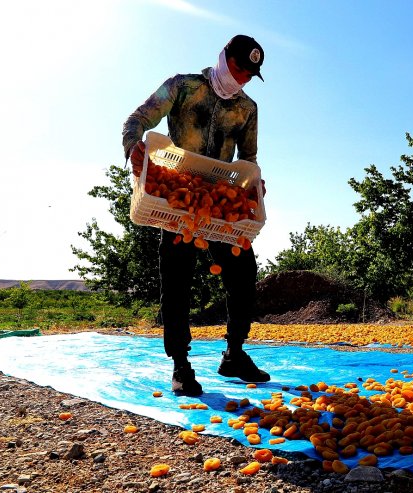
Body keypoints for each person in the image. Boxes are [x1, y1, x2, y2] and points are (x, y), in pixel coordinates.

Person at [122, 35, 270, 396]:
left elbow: (248, 159)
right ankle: (181, 365)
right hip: (179, 201)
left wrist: (255, 183)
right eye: (238, 69)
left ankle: (234, 354)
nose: (242, 79)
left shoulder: (247, 109)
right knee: (176, 279)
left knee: (244, 274)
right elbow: (137, 119)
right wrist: (134, 148)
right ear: (223, 58)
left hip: (220, 202)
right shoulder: (184, 87)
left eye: (250, 75)